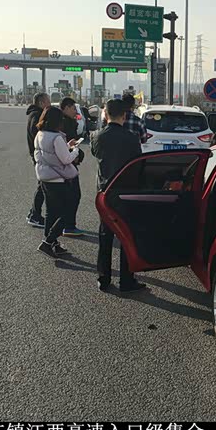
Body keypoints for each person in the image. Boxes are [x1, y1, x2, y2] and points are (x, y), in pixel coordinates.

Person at [91, 99, 145, 293]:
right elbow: (138, 163)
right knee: (125, 236)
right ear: (125, 115)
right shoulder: (131, 138)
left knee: (105, 235)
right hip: (125, 193)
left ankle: (103, 279)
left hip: (105, 193)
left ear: (105, 114)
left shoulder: (97, 136)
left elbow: (96, 155)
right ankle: (126, 281)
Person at [34, 106, 80, 259]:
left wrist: (67, 146)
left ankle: (52, 243)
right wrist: (75, 150)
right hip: (58, 179)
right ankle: (48, 242)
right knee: (67, 212)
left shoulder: (40, 134)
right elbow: (66, 159)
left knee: (51, 212)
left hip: (45, 177)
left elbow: (51, 154)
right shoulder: (57, 137)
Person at [59, 97, 85, 237]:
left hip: (66, 164)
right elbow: (64, 146)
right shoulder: (64, 124)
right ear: (67, 108)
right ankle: (68, 226)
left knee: (68, 196)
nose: (76, 111)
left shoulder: (67, 122)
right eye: (74, 108)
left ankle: (65, 225)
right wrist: (75, 153)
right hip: (67, 165)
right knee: (73, 195)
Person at [26, 92, 51, 228]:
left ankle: (33, 213)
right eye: (48, 101)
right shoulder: (37, 116)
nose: (50, 104)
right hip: (39, 156)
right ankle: (35, 215)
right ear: (41, 103)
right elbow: (40, 136)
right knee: (42, 186)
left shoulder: (35, 114)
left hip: (38, 155)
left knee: (42, 185)